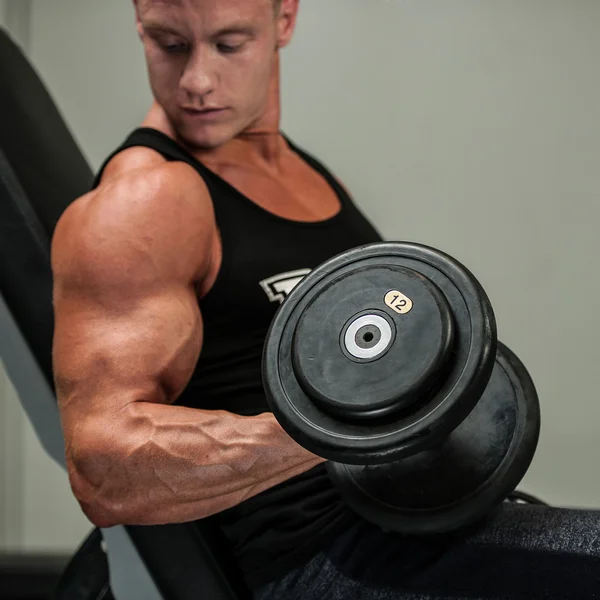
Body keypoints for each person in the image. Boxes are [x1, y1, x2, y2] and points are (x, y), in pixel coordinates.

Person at [50, 1, 600, 598]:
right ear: (139, 21)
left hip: (397, 517)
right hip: (305, 558)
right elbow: (104, 467)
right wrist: (352, 427)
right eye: (170, 44)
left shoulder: (301, 174)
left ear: (284, 18)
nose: (198, 81)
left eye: (229, 44)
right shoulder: (146, 199)